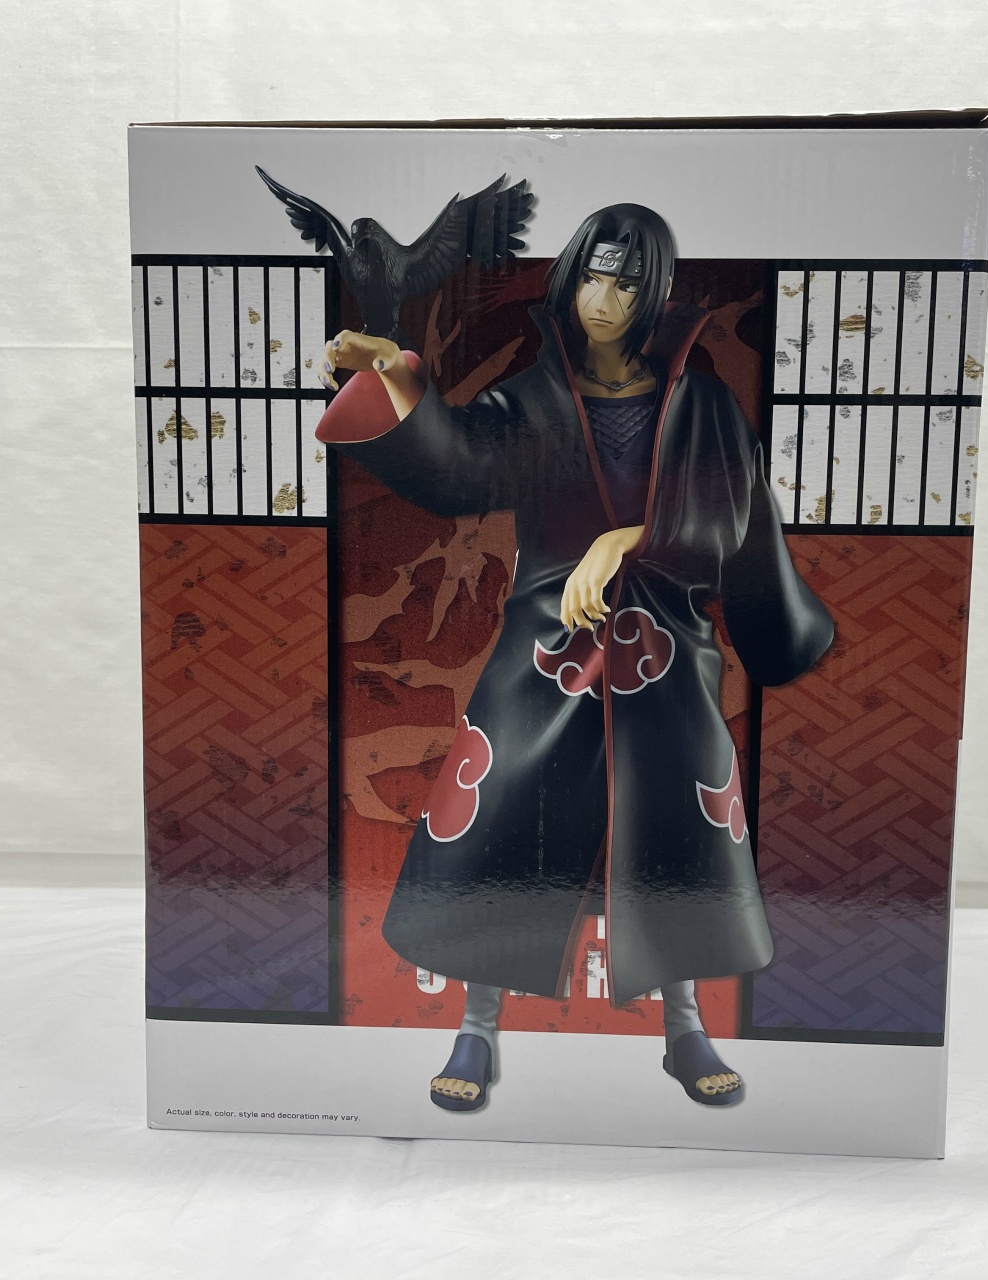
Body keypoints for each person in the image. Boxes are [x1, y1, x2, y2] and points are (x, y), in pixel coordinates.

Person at [317, 204, 833, 1110]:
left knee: (674, 833)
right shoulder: (534, 398)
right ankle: (477, 1031)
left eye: (626, 283)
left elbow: (729, 523)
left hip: (664, 648)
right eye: (592, 275)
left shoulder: (702, 403)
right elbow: (461, 466)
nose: (603, 299)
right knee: (501, 820)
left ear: (655, 294)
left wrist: (626, 539)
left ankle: (685, 1030)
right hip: (546, 647)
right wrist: (396, 373)